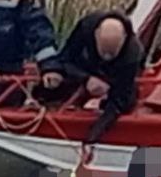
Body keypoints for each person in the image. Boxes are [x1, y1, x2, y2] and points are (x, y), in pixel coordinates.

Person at [43, 9, 145, 142]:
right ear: (96, 34)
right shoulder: (86, 27)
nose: (107, 58)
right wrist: (86, 79)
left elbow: (121, 100)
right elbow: (65, 60)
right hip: (84, 69)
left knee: (128, 101)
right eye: (104, 52)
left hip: (116, 78)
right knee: (55, 79)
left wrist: (93, 136)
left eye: (111, 54)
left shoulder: (133, 53)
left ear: (124, 39)